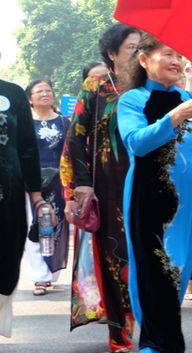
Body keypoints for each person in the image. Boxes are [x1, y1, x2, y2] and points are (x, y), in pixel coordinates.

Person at [117, 33, 192, 353]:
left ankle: (159, 342)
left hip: (189, 202)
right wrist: (177, 115)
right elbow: (137, 143)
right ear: (145, 60)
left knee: (178, 271)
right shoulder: (132, 100)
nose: (178, 61)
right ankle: (157, 346)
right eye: (168, 54)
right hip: (149, 200)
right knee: (155, 273)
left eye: (181, 55)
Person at [65, 23, 141, 352]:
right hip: (110, 187)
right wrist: (80, 185)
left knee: (150, 255)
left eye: (143, 48)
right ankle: (119, 333)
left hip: (149, 183)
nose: (140, 55)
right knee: (116, 258)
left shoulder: (151, 84)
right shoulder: (97, 84)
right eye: (132, 48)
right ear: (112, 53)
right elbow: (76, 136)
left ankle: (146, 321)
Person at [0, 78, 54, 338]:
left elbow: (28, 149)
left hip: (7, 202)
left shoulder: (12, 93)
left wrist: (37, 198)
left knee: (5, 268)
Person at [24, 80, 70, 296]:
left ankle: (50, 271)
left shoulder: (64, 122)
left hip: (59, 182)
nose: (45, 94)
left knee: (56, 225)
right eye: (39, 91)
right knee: (34, 226)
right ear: (29, 98)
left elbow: (71, 153)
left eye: (48, 90)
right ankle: (40, 277)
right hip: (31, 182)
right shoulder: (23, 124)